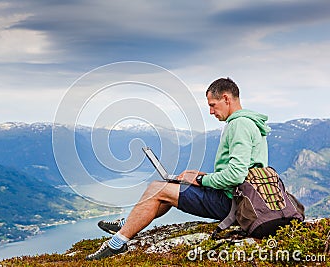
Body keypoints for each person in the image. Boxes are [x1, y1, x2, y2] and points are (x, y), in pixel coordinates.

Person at [86, 77, 271, 260]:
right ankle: (128, 223)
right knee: (167, 185)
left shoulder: (239, 124)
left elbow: (237, 175)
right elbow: (243, 170)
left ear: (226, 98)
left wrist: (200, 180)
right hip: (238, 197)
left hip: (232, 203)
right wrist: (202, 176)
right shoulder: (248, 123)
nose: (210, 111)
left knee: (158, 190)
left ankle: (117, 243)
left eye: (213, 105)